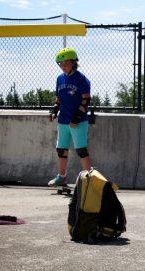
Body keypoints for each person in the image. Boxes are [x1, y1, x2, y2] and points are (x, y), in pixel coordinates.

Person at [48, 47, 91, 187]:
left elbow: (86, 100)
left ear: (74, 63)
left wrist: (77, 117)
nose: (63, 67)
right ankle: (61, 176)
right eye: (60, 64)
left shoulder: (81, 79)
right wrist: (54, 111)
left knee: (81, 150)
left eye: (66, 63)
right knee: (61, 149)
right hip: (63, 121)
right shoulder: (59, 79)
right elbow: (59, 99)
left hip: (78, 121)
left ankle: (89, 179)